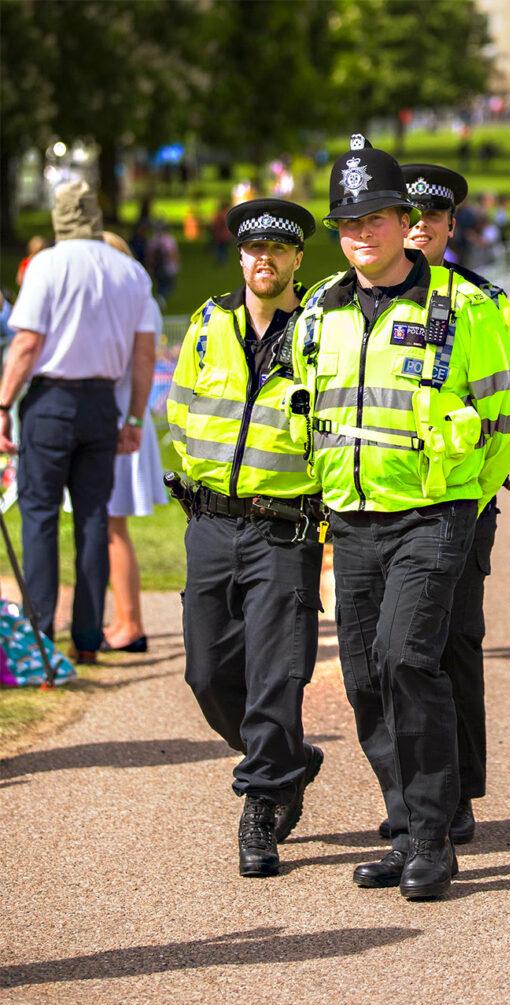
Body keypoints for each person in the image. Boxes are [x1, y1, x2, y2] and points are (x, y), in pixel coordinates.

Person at [290, 135, 510, 900]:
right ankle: (401, 827)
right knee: (363, 675)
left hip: (434, 516)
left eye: (376, 219)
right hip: (352, 517)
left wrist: (464, 489)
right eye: (348, 224)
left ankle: (432, 836)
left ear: (404, 222)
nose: (362, 234)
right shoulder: (320, 310)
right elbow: (306, 410)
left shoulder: (470, 307)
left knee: (406, 658)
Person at [366, 162, 510, 847]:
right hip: (379, 505)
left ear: (448, 226)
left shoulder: (481, 302)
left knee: (452, 639)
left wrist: (471, 486)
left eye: (429, 220)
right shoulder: (359, 299)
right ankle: (409, 790)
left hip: (459, 506)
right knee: (385, 647)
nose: (417, 230)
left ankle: (457, 787)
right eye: (405, 218)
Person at [166, 198, 324, 879]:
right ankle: (287, 758)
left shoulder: (322, 333)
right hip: (209, 522)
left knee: (275, 672)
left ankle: (262, 803)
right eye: (253, 248)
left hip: (283, 529)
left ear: (296, 260)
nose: (265, 259)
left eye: (278, 250)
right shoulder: (208, 323)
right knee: (206, 672)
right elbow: (181, 410)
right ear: (240, 257)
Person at [0, 180, 155, 663]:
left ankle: (42, 635)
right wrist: (132, 417)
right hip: (102, 404)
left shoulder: (46, 264)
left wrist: (2, 405)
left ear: (57, 217)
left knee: (40, 519)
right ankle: (86, 639)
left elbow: (26, 344)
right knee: (92, 520)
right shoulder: (129, 270)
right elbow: (144, 354)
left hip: (52, 400)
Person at [100, 231, 167, 654]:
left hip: (121, 415)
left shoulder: (127, 301)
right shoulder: (140, 299)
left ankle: (129, 622)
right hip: (126, 414)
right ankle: (122, 618)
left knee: (111, 526)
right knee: (108, 525)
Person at [147, 221, 180, 305]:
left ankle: (159, 297)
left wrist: (150, 265)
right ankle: (161, 298)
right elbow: (173, 253)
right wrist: (176, 263)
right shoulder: (169, 240)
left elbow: (150, 254)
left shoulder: (153, 240)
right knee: (168, 284)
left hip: (157, 266)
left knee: (160, 283)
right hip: (168, 266)